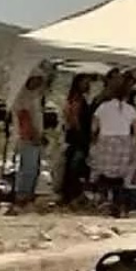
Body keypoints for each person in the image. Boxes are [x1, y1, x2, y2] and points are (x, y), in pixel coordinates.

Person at [89, 71, 136, 214]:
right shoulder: (131, 110)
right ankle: (119, 204)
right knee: (120, 176)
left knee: (104, 173)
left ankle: (103, 201)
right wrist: (135, 145)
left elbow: (94, 127)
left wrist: (95, 141)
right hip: (123, 141)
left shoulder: (102, 108)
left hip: (105, 140)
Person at [9, 74, 49, 210]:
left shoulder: (33, 96)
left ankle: (28, 195)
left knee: (33, 168)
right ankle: (22, 195)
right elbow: (24, 118)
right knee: (28, 168)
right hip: (29, 137)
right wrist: (34, 135)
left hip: (33, 136)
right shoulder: (24, 97)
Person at [59, 74, 95, 205]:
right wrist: (80, 133)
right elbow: (73, 117)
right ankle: (70, 194)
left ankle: (72, 193)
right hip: (76, 137)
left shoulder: (82, 98)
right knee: (74, 166)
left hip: (78, 136)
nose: (86, 86)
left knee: (76, 166)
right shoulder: (76, 99)